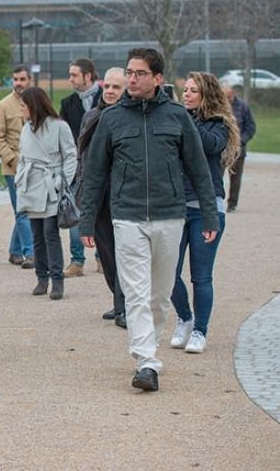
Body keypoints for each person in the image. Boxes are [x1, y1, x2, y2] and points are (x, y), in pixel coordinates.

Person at [80, 48, 218, 392]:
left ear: (157, 78)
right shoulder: (112, 119)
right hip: (126, 217)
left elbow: (199, 168)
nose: (132, 79)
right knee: (136, 292)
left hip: (171, 215)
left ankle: (148, 344)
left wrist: (209, 213)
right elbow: (94, 173)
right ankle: (146, 360)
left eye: (140, 73)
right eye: (130, 72)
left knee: (159, 294)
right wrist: (86, 223)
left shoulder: (176, 116)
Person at [169, 72, 240, 354]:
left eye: (192, 91)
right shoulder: (177, 121)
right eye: (184, 90)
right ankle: (185, 318)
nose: (185, 95)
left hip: (206, 209)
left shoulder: (218, 126)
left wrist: (184, 119)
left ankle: (200, 330)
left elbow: (208, 146)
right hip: (175, 207)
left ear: (206, 95)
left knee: (201, 276)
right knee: (168, 274)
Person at [76, 68, 127, 327]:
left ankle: (124, 305)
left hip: (121, 193)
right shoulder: (92, 116)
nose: (109, 91)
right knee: (105, 252)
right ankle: (118, 300)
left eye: (116, 87)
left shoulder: (128, 118)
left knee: (123, 251)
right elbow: (82, 154)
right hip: (96, 193)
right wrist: (81, 187)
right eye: (106, 86)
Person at [15, 87, 76, 300]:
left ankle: (57, 280)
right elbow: (23, 157)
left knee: (51, 234)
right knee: (36, 235)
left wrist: (61, 182)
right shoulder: (26, 129)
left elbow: (70, 156)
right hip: (31, 186)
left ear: (34, 105)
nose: (21, 109)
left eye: (23, 105)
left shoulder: (59, 126)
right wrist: (20, 178)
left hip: (51, 186)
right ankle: (41, 277)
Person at [60, 58, 101, 278]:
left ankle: (102, 257)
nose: (70, 79)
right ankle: (77, 261)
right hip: (77, 166)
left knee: (102, 212)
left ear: (88, 76)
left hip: (102, 163)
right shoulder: (68, 104)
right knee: (74, 213)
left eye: (74, 75)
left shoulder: (106, 97)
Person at [0, 65, 34, 269]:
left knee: (26, 210)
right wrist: (13, 160)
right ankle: (31, 253)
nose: (18, 83)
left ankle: (15, 250)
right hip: (13, 168)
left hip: (35, 167)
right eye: (15, 79)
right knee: (23, 211)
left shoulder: (37, 103)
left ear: (30, 80)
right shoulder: (3, 106)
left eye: (22, 79)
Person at [222, 84, 256, 212]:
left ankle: (232, 204)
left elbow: (251, 127)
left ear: (233, 94)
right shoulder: (219, 106)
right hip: (221, 149)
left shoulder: (243, 107)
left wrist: (241, 141)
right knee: (216, 176)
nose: (227, 99)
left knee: (235, 179)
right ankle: (216, 201)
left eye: (229, 96)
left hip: (238, 150)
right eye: (225, 97)